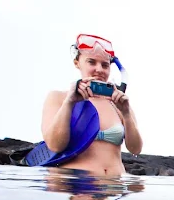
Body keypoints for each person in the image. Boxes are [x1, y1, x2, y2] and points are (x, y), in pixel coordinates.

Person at [41, 34, 143, 176]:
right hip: (76, 185)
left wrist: (126, 113)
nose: (99, 69)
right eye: (91, 62)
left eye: (105, 65)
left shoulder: (118, 104)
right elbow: (55, 145)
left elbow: (135, 149)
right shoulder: (58, 98)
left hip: (114, 187)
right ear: (77, 63)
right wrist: (69, 102)